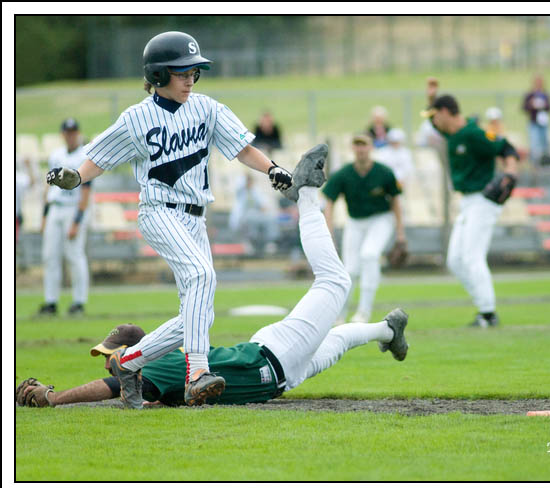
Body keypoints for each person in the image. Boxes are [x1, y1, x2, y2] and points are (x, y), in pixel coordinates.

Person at [17, 150, 410, 409]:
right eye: (108, 355)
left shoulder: (158, 366)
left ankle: (305, 194)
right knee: (336, 340)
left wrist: (54, 398)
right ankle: (389, 331)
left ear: (135, 350)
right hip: (280, 371)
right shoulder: (161, 373)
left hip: (273, 355)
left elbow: (111, 387)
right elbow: (140, 395)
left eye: (110, 354)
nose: (108, 361)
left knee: (335, 283)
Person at [45, 31, 295, 407]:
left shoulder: (207, 108)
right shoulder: (137, 118)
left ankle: (129, 361)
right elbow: (100, 158)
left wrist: (272, 168)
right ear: (158, 75)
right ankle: (197, 374)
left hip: (196, 219)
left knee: (197, 315)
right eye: (182, 72)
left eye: (194, 71)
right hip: (159, 211)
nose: (191, 78)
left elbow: (243, 149)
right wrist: (77, 177)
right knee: (202, 275)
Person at [421, 95, 520, 328]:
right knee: (455, 261)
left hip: (483, 200)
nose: (433, 121)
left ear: (445, 112)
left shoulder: (474, 133)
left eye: (435, 115)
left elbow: (506, 147)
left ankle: (488, 314)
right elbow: (434, 125)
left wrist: (511, 171)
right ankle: (483, 306)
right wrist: (431, 97)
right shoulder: (453, 134)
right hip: (467, 202)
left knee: (472, 257)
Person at [323, 134, 406, 324]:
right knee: (349, 269)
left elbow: (396, 201)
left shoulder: (384, 172)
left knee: (369, 255)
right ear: (352, 148)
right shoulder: (343, 174)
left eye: (364, 145)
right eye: (357, 145)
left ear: (371, 147)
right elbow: (329, 203)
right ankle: (339, 315)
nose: (361, 149)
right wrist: (329, 234)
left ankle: (364, 312)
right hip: (355, 221)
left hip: (381, 219)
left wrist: (400, 233)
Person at [37, 118, 92, 317]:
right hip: (55, 207)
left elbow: (86, 189)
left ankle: (79, 302)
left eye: (73, 132)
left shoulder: (84, 155)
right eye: (67, 132)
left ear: (78, 133)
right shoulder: (56, 155)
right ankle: (51, 301)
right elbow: (48, 187)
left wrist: (77, 220)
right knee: (50, 256)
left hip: (72, 208)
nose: (70, 136)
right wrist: (44, 215)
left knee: (74, 255)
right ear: (63, 134)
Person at [522, 75, 550, 166]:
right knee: (534, 143)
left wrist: (544, 105)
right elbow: (524, 107)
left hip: (544, 122)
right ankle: (534, 164)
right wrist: (531, 104)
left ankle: (545, 162)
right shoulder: (529, 95)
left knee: (544, 143)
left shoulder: (545, 94)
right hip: (533, 122)